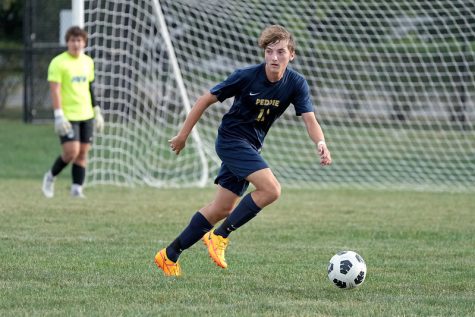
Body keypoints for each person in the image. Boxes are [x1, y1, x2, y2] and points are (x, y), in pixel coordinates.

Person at [155, 25, 332, 276]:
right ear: (263, 53)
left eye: (281, 52)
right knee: (271, 189)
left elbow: (310, 119)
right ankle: (219, 236)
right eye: (269, 51)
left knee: (222, 209)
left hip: (251, 145)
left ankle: (169, 255)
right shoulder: (246, 76)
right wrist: (183, 136)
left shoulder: (296, 83)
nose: (274, 57)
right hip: (231, 140)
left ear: (291, 55)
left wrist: (321, 143)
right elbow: (205, 99)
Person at [41, 26, 104, 198]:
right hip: (68, 116)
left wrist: (97, 110)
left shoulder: (88, 62)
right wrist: (59, 115)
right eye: (72, 40)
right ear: (67, 42)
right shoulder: (58, 62)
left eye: (79, 40)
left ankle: (77, 189)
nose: (76, 44)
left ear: (84, 42)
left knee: (83, 153)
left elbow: (90, 87)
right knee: (71, 152)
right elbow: (55, 90)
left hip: (86, 114)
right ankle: (50, 177)